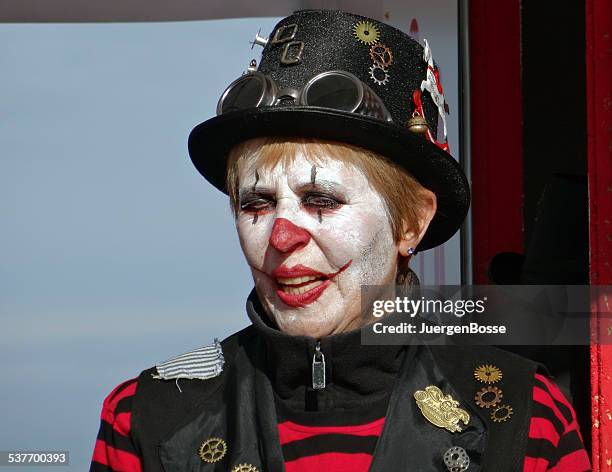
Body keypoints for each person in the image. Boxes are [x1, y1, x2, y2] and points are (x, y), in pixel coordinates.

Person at [90, 9, 591, 472]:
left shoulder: (524, 415)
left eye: (322, 200)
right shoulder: (147, 418)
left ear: (410, 223)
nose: (281, 237)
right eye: (255, 204)